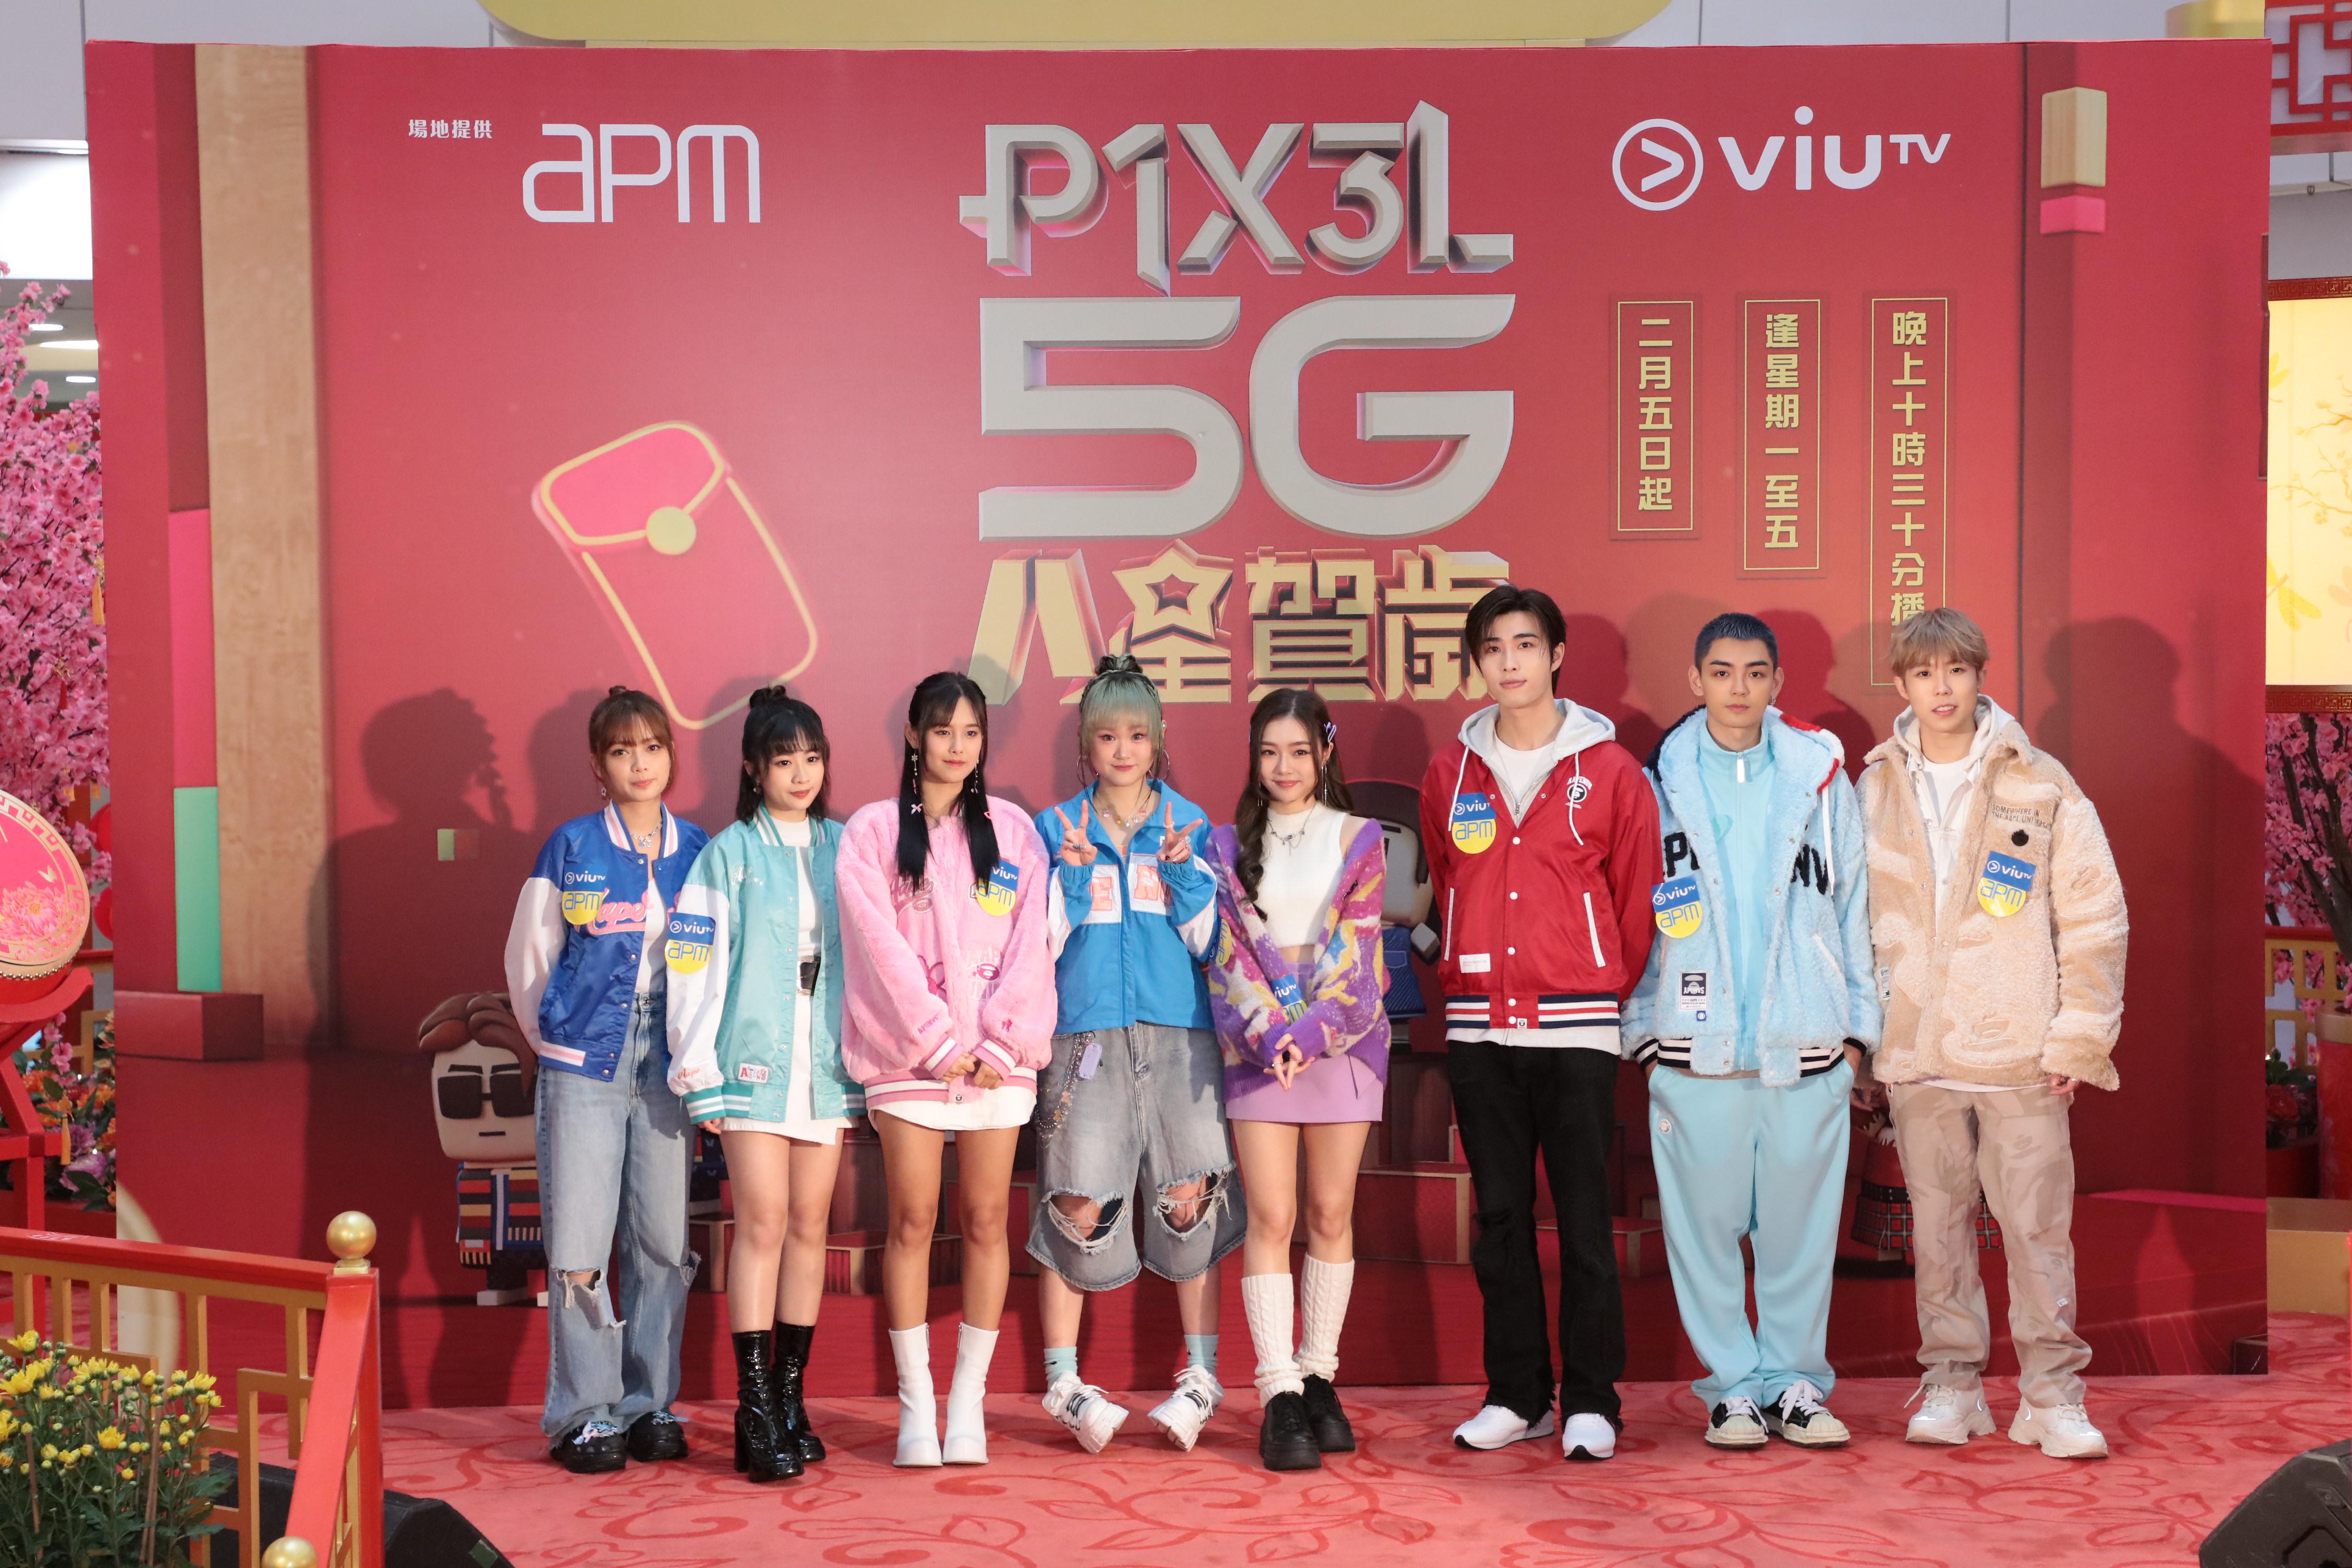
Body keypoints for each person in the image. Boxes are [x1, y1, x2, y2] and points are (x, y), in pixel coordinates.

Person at [1859, 607, 2127, 1459]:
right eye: (1924, 673)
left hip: (2020, 1054)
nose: (1942, 688)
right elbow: (1850, 918)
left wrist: (2078, 1038)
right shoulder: (1873, 787)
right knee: (1937, 1234)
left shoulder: (2041, 781)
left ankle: (2053, 1398)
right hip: (1918, 1056)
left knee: (2039, 1233)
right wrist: (1868, 1039)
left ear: (1980, 676)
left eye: (1957, 670)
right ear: (1902, 684)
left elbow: (2095, 915)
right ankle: (1953, 1386)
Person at [1621, 614, 1879, 1451]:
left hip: (1806, 1048)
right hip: (1692, 1052)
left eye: (1756, 672)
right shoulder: (1654, 784)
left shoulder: (1821, 780)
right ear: (1696, 680)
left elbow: (1854, 908)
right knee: (1703, 1237)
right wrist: (1645, 1033)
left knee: (1800, 1236)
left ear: (1778, 682)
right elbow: (1631, 916)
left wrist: (1855, 1035)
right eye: (1723, 672)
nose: (1739, 688)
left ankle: (1796, 1385)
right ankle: (1732, 1389)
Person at [1419, 585, 1661, 1463]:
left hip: (1577, 1029)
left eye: (1525, 644)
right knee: (1500, 1223)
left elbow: (1637, 897)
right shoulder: (1451, 772)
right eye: (1493, 648)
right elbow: (1447, 879)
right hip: (1481, 1031)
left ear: (1556, 655)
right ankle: (1518, 1396)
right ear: (1478, 663)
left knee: (1586, 1224)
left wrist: (1595, 983)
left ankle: (1593, 1400)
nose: (1509, 662)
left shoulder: (1612, 770)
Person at [836, 671, 1057, 1467]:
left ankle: (968, 1406)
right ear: (913, 735)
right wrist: (934, 1041)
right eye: (942, 731)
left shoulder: (1015, 832)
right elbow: (876, 953)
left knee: (990, 1222)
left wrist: (1001, 1042)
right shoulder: (870, 834)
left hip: (998, 1067)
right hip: (909, 1062)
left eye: (971, 733)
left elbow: (1034, 945)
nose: (957, 747)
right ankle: (916, 1409)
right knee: (913, 1221)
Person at [1032, 655, 1245, 1453]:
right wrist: (1070, 882)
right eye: (1107, 736)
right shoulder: (1056, 829)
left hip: (1180, 1035)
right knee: (1076, 1203)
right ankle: (1064, 1382)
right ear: (1086, 744)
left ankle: (1201, 1377)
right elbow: (1036, 948)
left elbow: (1211, 944)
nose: (1123, 751)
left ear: (1158, 741)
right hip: (1083, 1040)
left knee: (1191, 1197)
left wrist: (1186, 875)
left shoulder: (1189, 823)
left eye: (1137, 736)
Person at [504, 685, 709, 1474]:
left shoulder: (700, 851)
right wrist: (559, 1041)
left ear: (671, 756)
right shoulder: (572, 847)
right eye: (622, 751)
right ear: (599, 766)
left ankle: (649, 1403)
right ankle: (586, 1414)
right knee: (582, 1242)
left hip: (668, 1061)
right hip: (583, 1060)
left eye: (652, 748)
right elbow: (530, 960)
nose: (639, 764)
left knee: (662, 1242)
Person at [665, 687, 858, 1482]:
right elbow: (691, 964)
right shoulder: (726, 855)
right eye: (785, 761)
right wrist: (698, 1072)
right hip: (749, 1063)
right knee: (764, 1224)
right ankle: (752, 1409)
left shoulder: (848, 846)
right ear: (753, 769)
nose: (801, 774)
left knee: (812, 1226)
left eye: (812, 759)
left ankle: (788, 1398)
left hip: (825, 1066)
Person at [1205, 688, 1387, 1473]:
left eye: (1300, 752)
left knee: (1331, 1212)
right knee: (1273, 1216)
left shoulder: (1359, 836)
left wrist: (1307, 1035)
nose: (1284, 767)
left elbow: (1359, 957)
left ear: (1326, 753)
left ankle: (1319, 1378)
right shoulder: (1223, 846)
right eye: (1270, 752)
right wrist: (1269, 1036)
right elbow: (1226, 957)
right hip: (1258, 1051)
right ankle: (1278, 1390)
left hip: (1344, 1045)